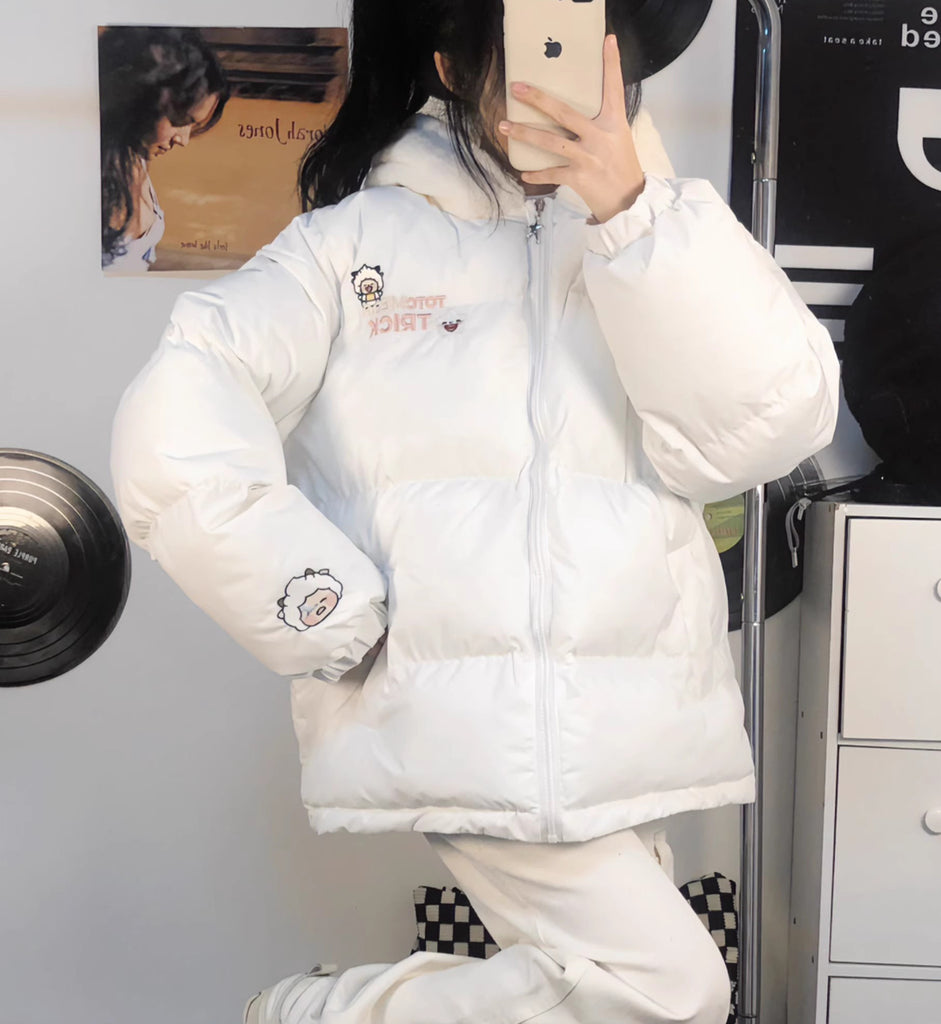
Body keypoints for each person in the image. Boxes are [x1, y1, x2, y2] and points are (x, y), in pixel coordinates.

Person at [110, 1, 840, 1021]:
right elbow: (185, 399)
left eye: (585, 53)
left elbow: (760, 430)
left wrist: (631, 211)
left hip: (631, 727)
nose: (562, 82)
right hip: (456, 713)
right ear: (452, 68)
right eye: (533, 52)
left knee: (600, 991)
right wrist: (313, 601)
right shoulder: (351, 248)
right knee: (669, 992)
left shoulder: (665, 231)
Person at [98, 26, 228, 272]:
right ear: (141, 103)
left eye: (193, 125)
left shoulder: (136, 159)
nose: (184, 140)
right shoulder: (88, 181)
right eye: (181, 120)